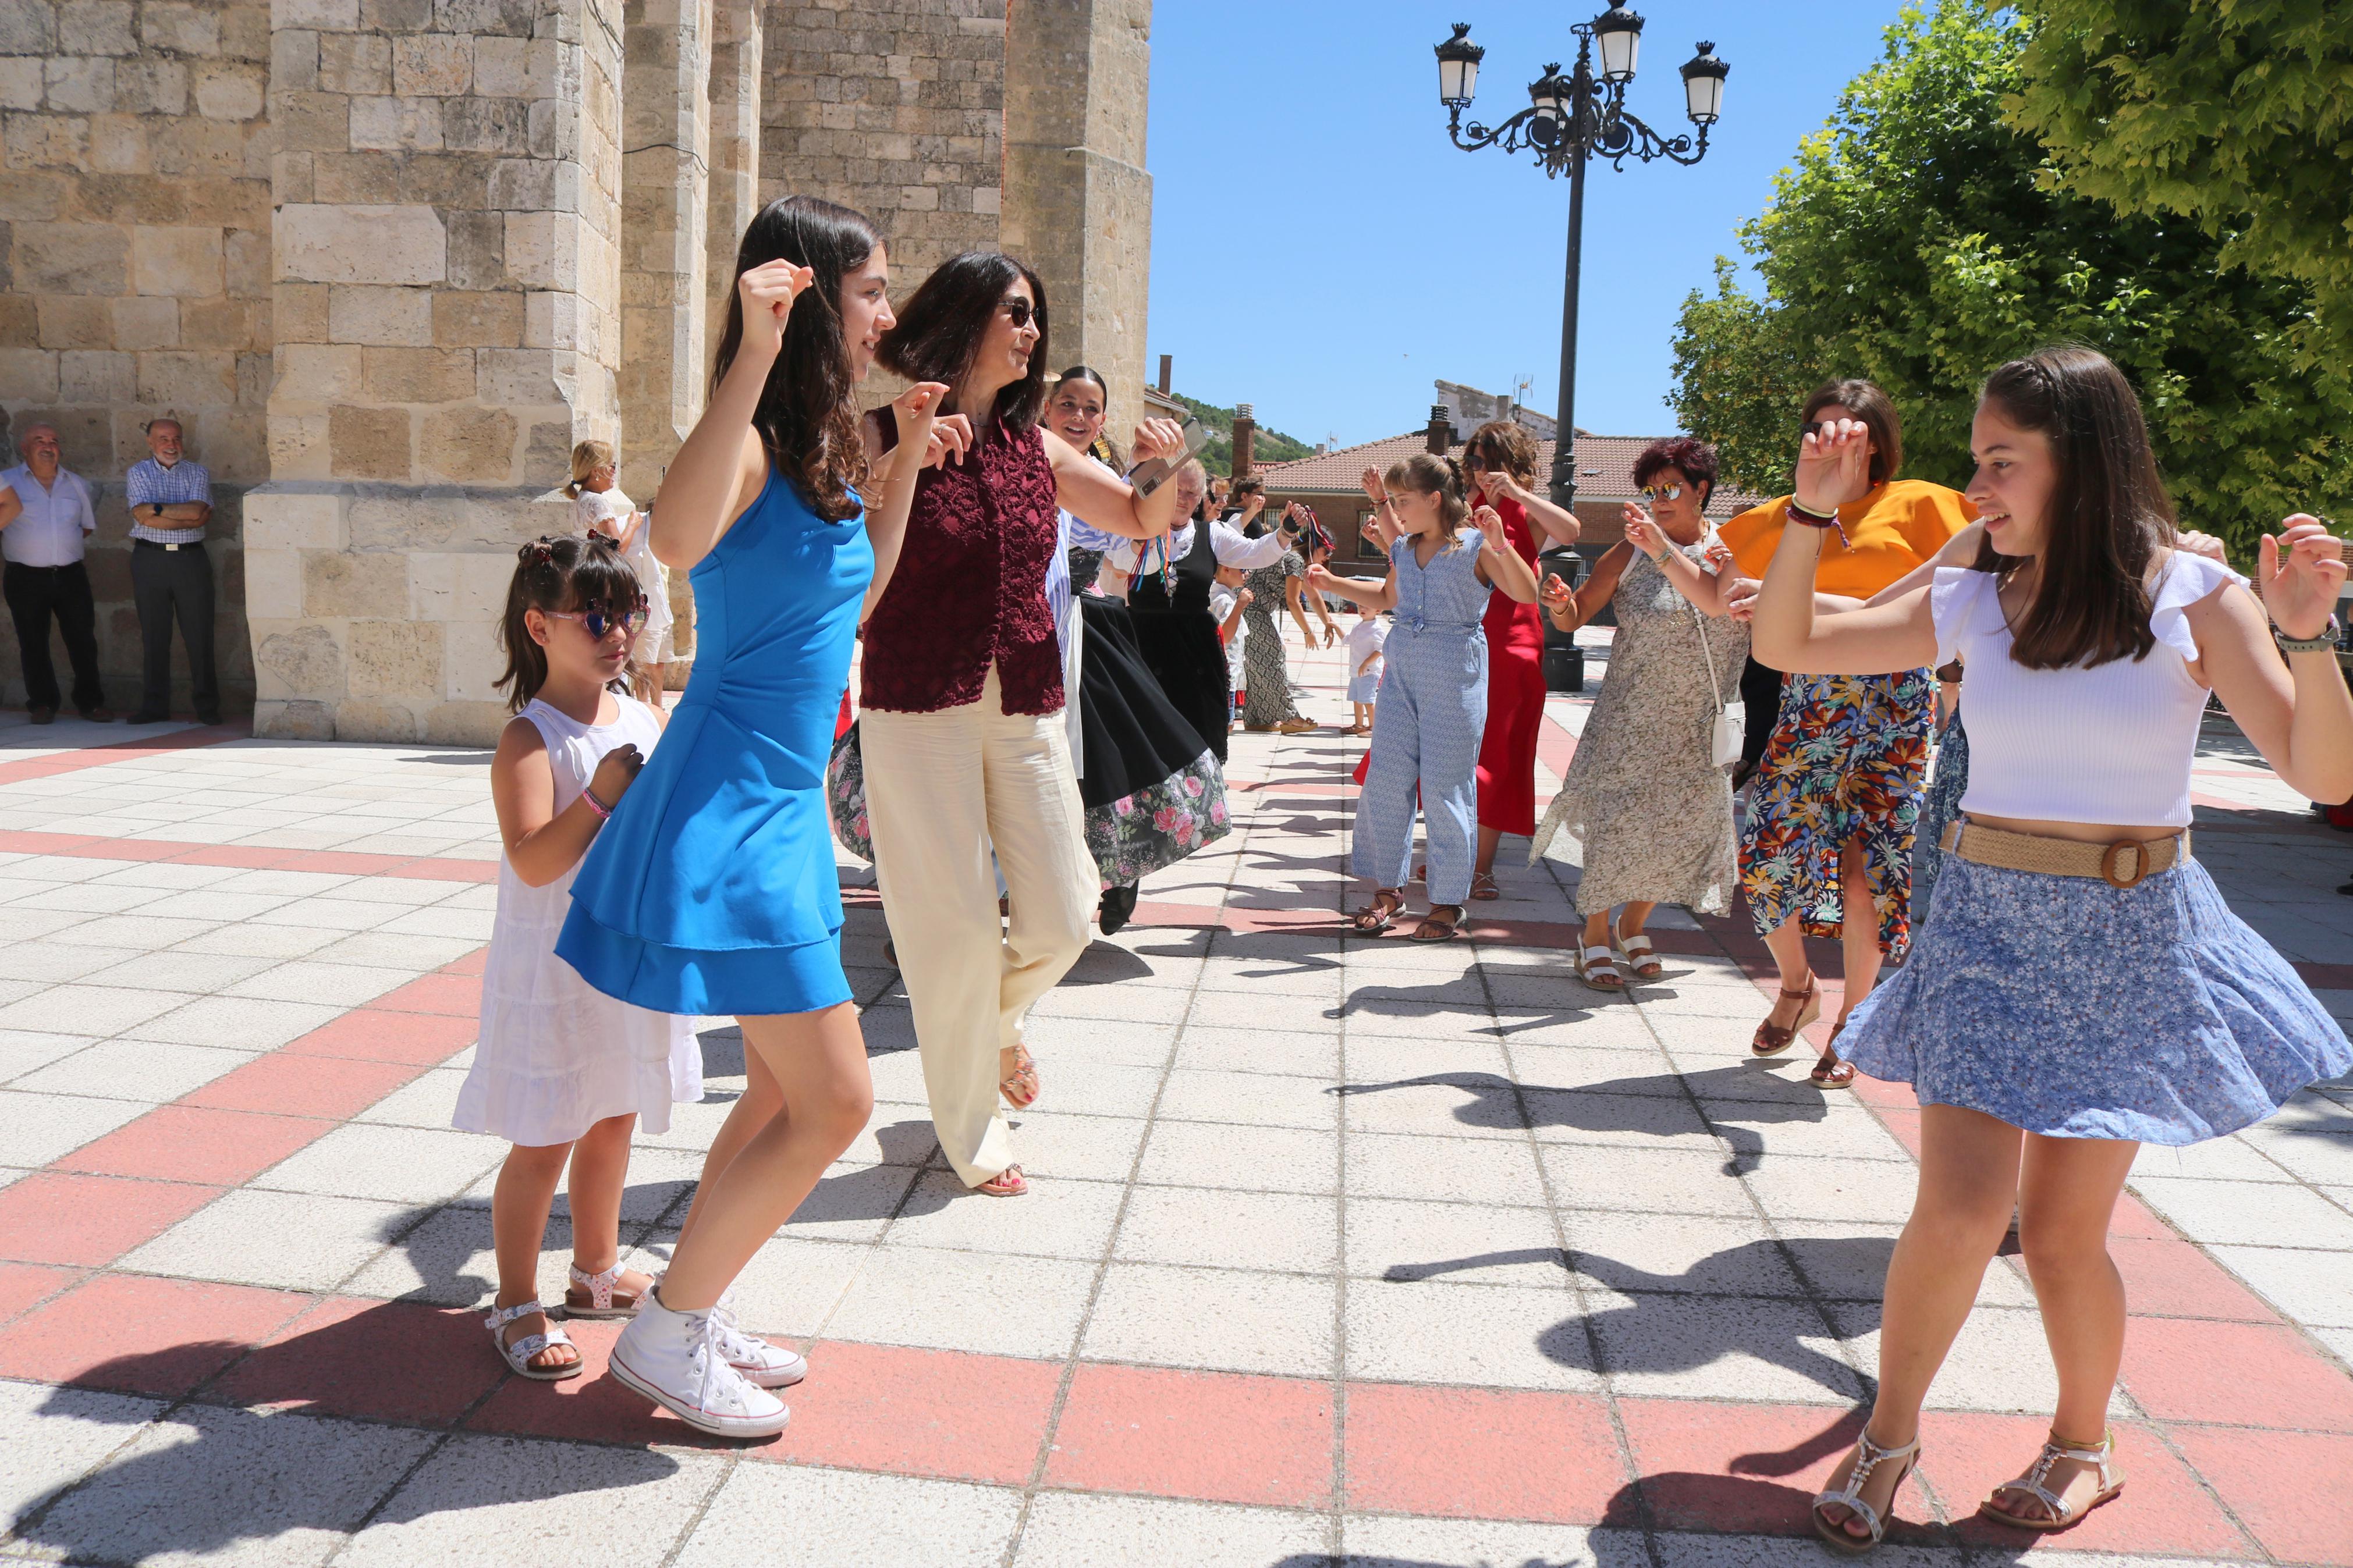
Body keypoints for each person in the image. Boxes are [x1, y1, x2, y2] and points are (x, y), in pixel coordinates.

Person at [1758, 347, 2353, 1548]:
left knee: (2066, 1233)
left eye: (1997, 459)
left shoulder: (2191, 594)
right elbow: (1790, 643)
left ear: (2075, 461)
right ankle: (1888, 1437)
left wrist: (2305, 638)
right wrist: (1809, 513)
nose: (1975, 484)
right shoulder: (1973, 587)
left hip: (2133, 934)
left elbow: (2321, 772)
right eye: (1975, 457)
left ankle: (2081, 1442)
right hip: (1986, 918)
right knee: (1958, 1207)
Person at [556, 195, 955, 1437]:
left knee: (785, 1097)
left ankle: (692, 1299)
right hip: (727, 794)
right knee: (834, 1102)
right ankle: (667, 1334)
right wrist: (750, 349)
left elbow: (858, 595)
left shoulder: (828, 449)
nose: (889, 313)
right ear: (808, 297)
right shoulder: (749, 438)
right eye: (874, 291)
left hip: (778, 800)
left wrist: (894, 474)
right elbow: (670, 542)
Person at [858, 250, 1191, 1200]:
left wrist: (1161, 469)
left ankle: (995, 1027)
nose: (1032, 332)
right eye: (1016, 312)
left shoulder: (1031, 446)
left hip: (1024, 696)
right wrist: (896, 465)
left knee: (1064, 913)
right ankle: (971, 1133)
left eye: (1034, 314)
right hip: (918, 697)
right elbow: (828, 526)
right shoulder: (881, 429)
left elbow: (1134, 516)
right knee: (952, 927)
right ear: (967, 319)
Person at [460, 534, 698, 1381]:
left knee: (615, 1110)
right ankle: (515, 1296)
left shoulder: (640, 714)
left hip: (625, 949)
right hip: (556, 961)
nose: (618, 630)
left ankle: (595, 1269)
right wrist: (600, 794)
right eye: (594, 614)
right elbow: (531, 857)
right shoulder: (530, 737)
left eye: (627, 611)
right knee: (546, 1130)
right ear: (538, 624)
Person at [1717, 381, 1973, 1088]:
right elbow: (1723, 592)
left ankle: (1852, 1024)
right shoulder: (1782, 515)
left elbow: (1957, 587)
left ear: (1878, 438)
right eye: (1818, 427)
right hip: (1813, 702)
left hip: (1895, 704)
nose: (1832, 440)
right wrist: (1663, 552)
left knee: (1864, 882)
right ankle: (1798, 985)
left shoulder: (1926, 504)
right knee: (1764, 852)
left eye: (1849, 428)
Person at [1529, 438, 1747, 990]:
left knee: (1678, 828)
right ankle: (1595, 935)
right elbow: (1573, 619)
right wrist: (1559, 603)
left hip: (1699, 722)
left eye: (1670, 488)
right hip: (1629, 718)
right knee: (1615, 827)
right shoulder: (1628, 551)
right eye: (1650, 491)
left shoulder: (1730, 551)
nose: (1659, 499)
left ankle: (1634, 923)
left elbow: (1731, 609)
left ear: (1701, 490)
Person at [1311, 454, 1540, 941]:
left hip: (1454, 674)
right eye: (1392, 500)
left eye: (1401, 501)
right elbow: (1388, 597)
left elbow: (1526, 591)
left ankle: (1447, 901)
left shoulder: (1477, 544)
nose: (1393, 509)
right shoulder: (1403, 547)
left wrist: (1501, 544)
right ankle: (1388, 889)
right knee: (1387, 779)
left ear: (1434, 500)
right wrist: (1331, 584)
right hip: (1401, 675)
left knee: (1444, 786)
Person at [1384, 421, 1580, 898]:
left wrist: (1513, 491)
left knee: (1494, 755)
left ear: (1511, 463)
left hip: (1511, 638)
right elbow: (1407, 553)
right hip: (1451, 636)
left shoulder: (1520, 508)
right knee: (1443, 750)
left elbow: (1569, 530)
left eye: (1486, 461)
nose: (1476, 470)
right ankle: (1447, 855)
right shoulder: (1456, 505)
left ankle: (1479, 865)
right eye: (1471, 460)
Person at [1111, 459, 1295, 763]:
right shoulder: (1134, 528)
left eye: (1192, 493)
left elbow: (1254, 552)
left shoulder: (1211, 534)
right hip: (1142, 644)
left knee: (1196, 733)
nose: (1183, 499)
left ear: (1201, 499)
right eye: (1177, 490)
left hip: (1194, 649)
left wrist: (1285, 533)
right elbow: (1117, 563)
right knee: (1142, 738)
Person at [1, 424, 111, 726]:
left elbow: (86, 527)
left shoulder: (77, 484)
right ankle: (42, 703)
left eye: (53, 441)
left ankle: (90, 703)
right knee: (33, 642)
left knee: (83, 641)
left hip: (70, 576)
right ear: (25, 449)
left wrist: (60, 549)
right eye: (39, 441)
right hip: (25, 578)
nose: (47, 446)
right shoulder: (6, 483)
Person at [566, 440, 677, 706]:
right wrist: (633, 524)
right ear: (597, 471)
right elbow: (617, 548)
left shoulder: (580, 501)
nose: (615, 472)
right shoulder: (598, 503)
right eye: (612, 466)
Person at [123, 417, 218, 726]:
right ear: (150, 442)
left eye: (176, 439)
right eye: (163, 439)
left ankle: (207, 707)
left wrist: (159, 508)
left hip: (191, 562)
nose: (171, 445)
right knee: (154, 635)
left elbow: (198, 514)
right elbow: (143, 519)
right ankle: (154, 707)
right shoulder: (138, 473)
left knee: (199, 635)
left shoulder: (197, 473)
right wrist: (180, 514)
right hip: (151, 560)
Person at [1240, 502, 1338, 732]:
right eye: (1328, 552)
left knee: (1258, 665)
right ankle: (1290, 717)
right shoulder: (1293, 560)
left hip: (1253, 611)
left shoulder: (1296, 562)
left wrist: (1328, 623)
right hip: (1253, 611)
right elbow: (1294, 602)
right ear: (1315, 545)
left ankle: (1257, 719)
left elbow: (1314, 598)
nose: (1327, 557)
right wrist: (1307, 631)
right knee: (1273, 660)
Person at [1209, 564, 1251, 727]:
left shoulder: (1220, 595)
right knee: (1226, 725)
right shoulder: (1224, 600)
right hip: (1226, 673)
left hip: (1224, 672)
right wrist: (1239, 606)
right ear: (1226, 569)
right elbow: (1225, 636)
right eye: (1242, 569)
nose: (1246, 573)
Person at [1344, 599, 1386, 735]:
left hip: (1369, 672)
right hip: (1356, 670)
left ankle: (1374, 728)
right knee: (1357, 699)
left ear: (1378, 610)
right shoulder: (1358, 625)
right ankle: (1359, 724)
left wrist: (1366, 663)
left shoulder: (1377, 629)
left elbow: (1381, 649)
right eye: (1360, 605)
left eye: (1367, 606)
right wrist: (1334, 627)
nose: (1362, 608)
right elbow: (1348, 640)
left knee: (1368, 700)